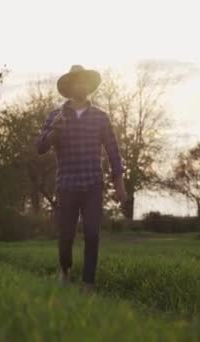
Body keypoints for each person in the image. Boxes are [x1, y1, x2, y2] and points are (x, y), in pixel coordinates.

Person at [35, 65, 127, 293]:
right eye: (77, 82)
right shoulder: (54, 117)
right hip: (66, 185)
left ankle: (88, 282)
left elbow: (113, 151)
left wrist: (119, 186)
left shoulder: (100, 118)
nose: (82, 86)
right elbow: (40, 147)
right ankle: (65, 270)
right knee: (66, 235)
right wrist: (53, 132)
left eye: (85, 82)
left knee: (92, 233)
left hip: (93, 184)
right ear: (69, 88)